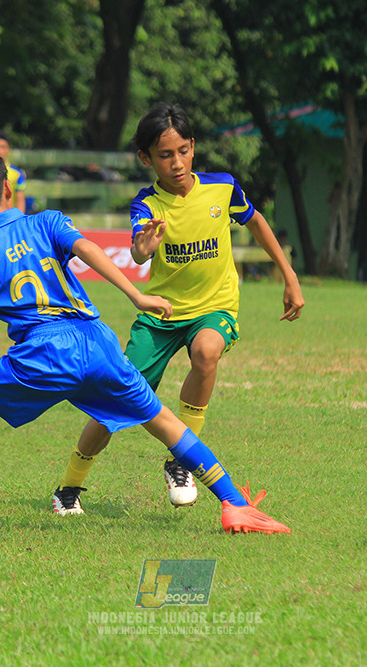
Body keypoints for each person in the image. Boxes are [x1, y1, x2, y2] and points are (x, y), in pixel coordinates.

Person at [0, 144, 290, 535]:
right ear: (7, 189)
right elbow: (87, 249)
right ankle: (235, 505)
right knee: (165, 423)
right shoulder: (48, 221)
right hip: (97, 341)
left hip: (42, 352)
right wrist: (137, 295)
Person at [50, 102, 304, 515]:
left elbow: (256, 221)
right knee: (115, 400)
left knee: (207, 352)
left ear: (193, 147)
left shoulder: (223, 188)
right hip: (161, 315)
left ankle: (180, 460)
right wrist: (142, 248)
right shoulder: (147, 203)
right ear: (145, 158)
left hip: (215, 307)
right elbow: (139, 246)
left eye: (183, 151)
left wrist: (289, 276)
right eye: (165, 155)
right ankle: (68, 488)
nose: (177, 163)